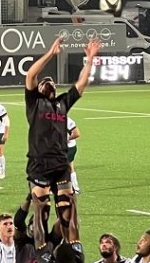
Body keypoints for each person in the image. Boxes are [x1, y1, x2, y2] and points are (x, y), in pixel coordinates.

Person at [24, 36, 100, 224]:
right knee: (41, 212)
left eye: (51, 83)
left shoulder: (62, 103)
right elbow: (30, 75)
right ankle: (43, 251)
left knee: (67, 211)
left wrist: (90, 59)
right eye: (44, 83)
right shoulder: (35, 103)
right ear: (39, 88)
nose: (47, 83)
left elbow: (81, 84)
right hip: (39, 163)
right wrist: (51, 52)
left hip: (60, 163)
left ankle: (69, 247)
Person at [66, 116, 82, 194]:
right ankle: (75, 188)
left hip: (69, 148)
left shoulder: (68, 121)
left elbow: (77, 133)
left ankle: (74, 188)